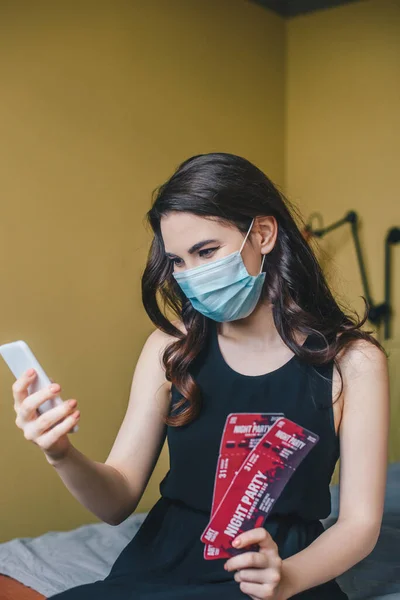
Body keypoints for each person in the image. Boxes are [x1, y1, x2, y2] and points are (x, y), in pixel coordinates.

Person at [13, 153, 389, 600]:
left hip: (279, 569)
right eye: (177, 261)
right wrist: (60, 453)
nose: (191, 276)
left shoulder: (353, 361)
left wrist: (287, 578)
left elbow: (360, 524)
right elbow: (116, 503)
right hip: (162, 562)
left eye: (207, 251)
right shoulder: (170, 346)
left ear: (263, 234)